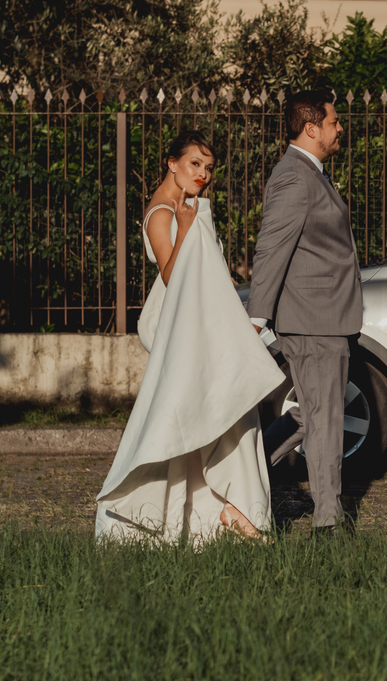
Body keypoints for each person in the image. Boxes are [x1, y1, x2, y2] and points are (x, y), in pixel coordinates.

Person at [96, 130, 286, 544]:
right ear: (172, 163)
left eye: (209, 167)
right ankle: (211, 513)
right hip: (184, 329)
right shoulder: (163, 213)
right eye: (195, 164)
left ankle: (224, 514)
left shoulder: (190, 208)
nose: (203, 174)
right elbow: (171, 275)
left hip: (205, 323)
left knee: (226, 414)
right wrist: (185, 226)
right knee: (209, 415)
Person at [248, 90, 363, 534]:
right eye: (334, 121)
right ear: (311, 128)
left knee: (313, 414)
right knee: (326, 420)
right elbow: (271, 247)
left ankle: (242, 476)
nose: (339, 128)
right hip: (313, 320)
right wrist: (257, 319)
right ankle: (328, 525)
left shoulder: (311, 173)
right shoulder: (295, 177)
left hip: (325, 317)